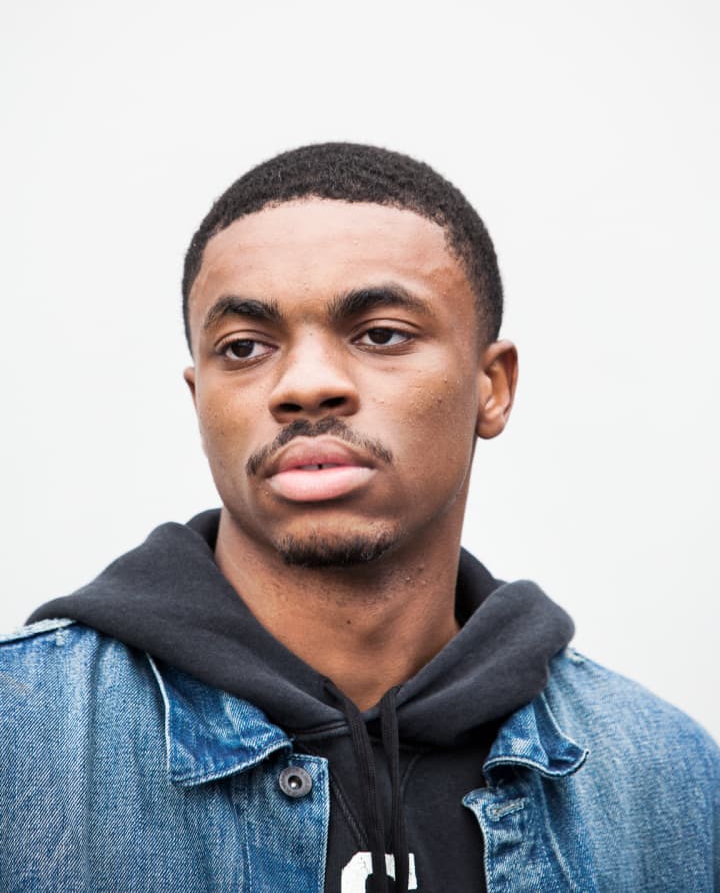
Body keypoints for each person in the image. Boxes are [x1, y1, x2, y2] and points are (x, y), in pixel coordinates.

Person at [1, 143, 717, 893]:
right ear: (199, 402)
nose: (306, 385)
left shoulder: (667, 780)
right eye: (243, 348)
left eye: (381, 334)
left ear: (493, 386)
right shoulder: (23, 737)